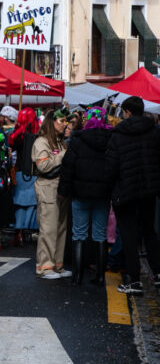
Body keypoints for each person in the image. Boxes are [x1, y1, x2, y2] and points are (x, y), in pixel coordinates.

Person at [105, 97, 160, 295]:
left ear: (127, 111)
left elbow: (111, 167)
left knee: (128, 236)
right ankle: (158, 273)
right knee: (149, 231)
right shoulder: (153, 132)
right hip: (148, 189)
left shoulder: (118, 135)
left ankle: (134, 281)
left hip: (125, 191)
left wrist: (109, 189)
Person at [58, 107, 112, 285]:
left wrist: (63, 191)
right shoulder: (111, 140)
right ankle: (100, 275)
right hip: (103, 194)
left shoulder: (78, 140)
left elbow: (68, 167)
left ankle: (77, 276)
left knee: (79, 234)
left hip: (80, 193)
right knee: (99, 234)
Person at [32, 108, 70, 279]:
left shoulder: (60, 141)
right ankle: (45, 267)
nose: (65, 124)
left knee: (61, 227)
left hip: (60, 188)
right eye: (61, 121)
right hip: (47, 187)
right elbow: (43, 166)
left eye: (65, 121)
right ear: (52, 122)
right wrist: (63, 155)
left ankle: (57, 265)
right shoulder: (41, 142)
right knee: (48, 228)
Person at [9, 107, 40, 244]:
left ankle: (19, 231)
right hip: (34, 171)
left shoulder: (17, 135)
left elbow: (11, 146)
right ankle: (28, 230)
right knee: (32, 203)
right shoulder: (39, 135)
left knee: (19, 202)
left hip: (20, 170)